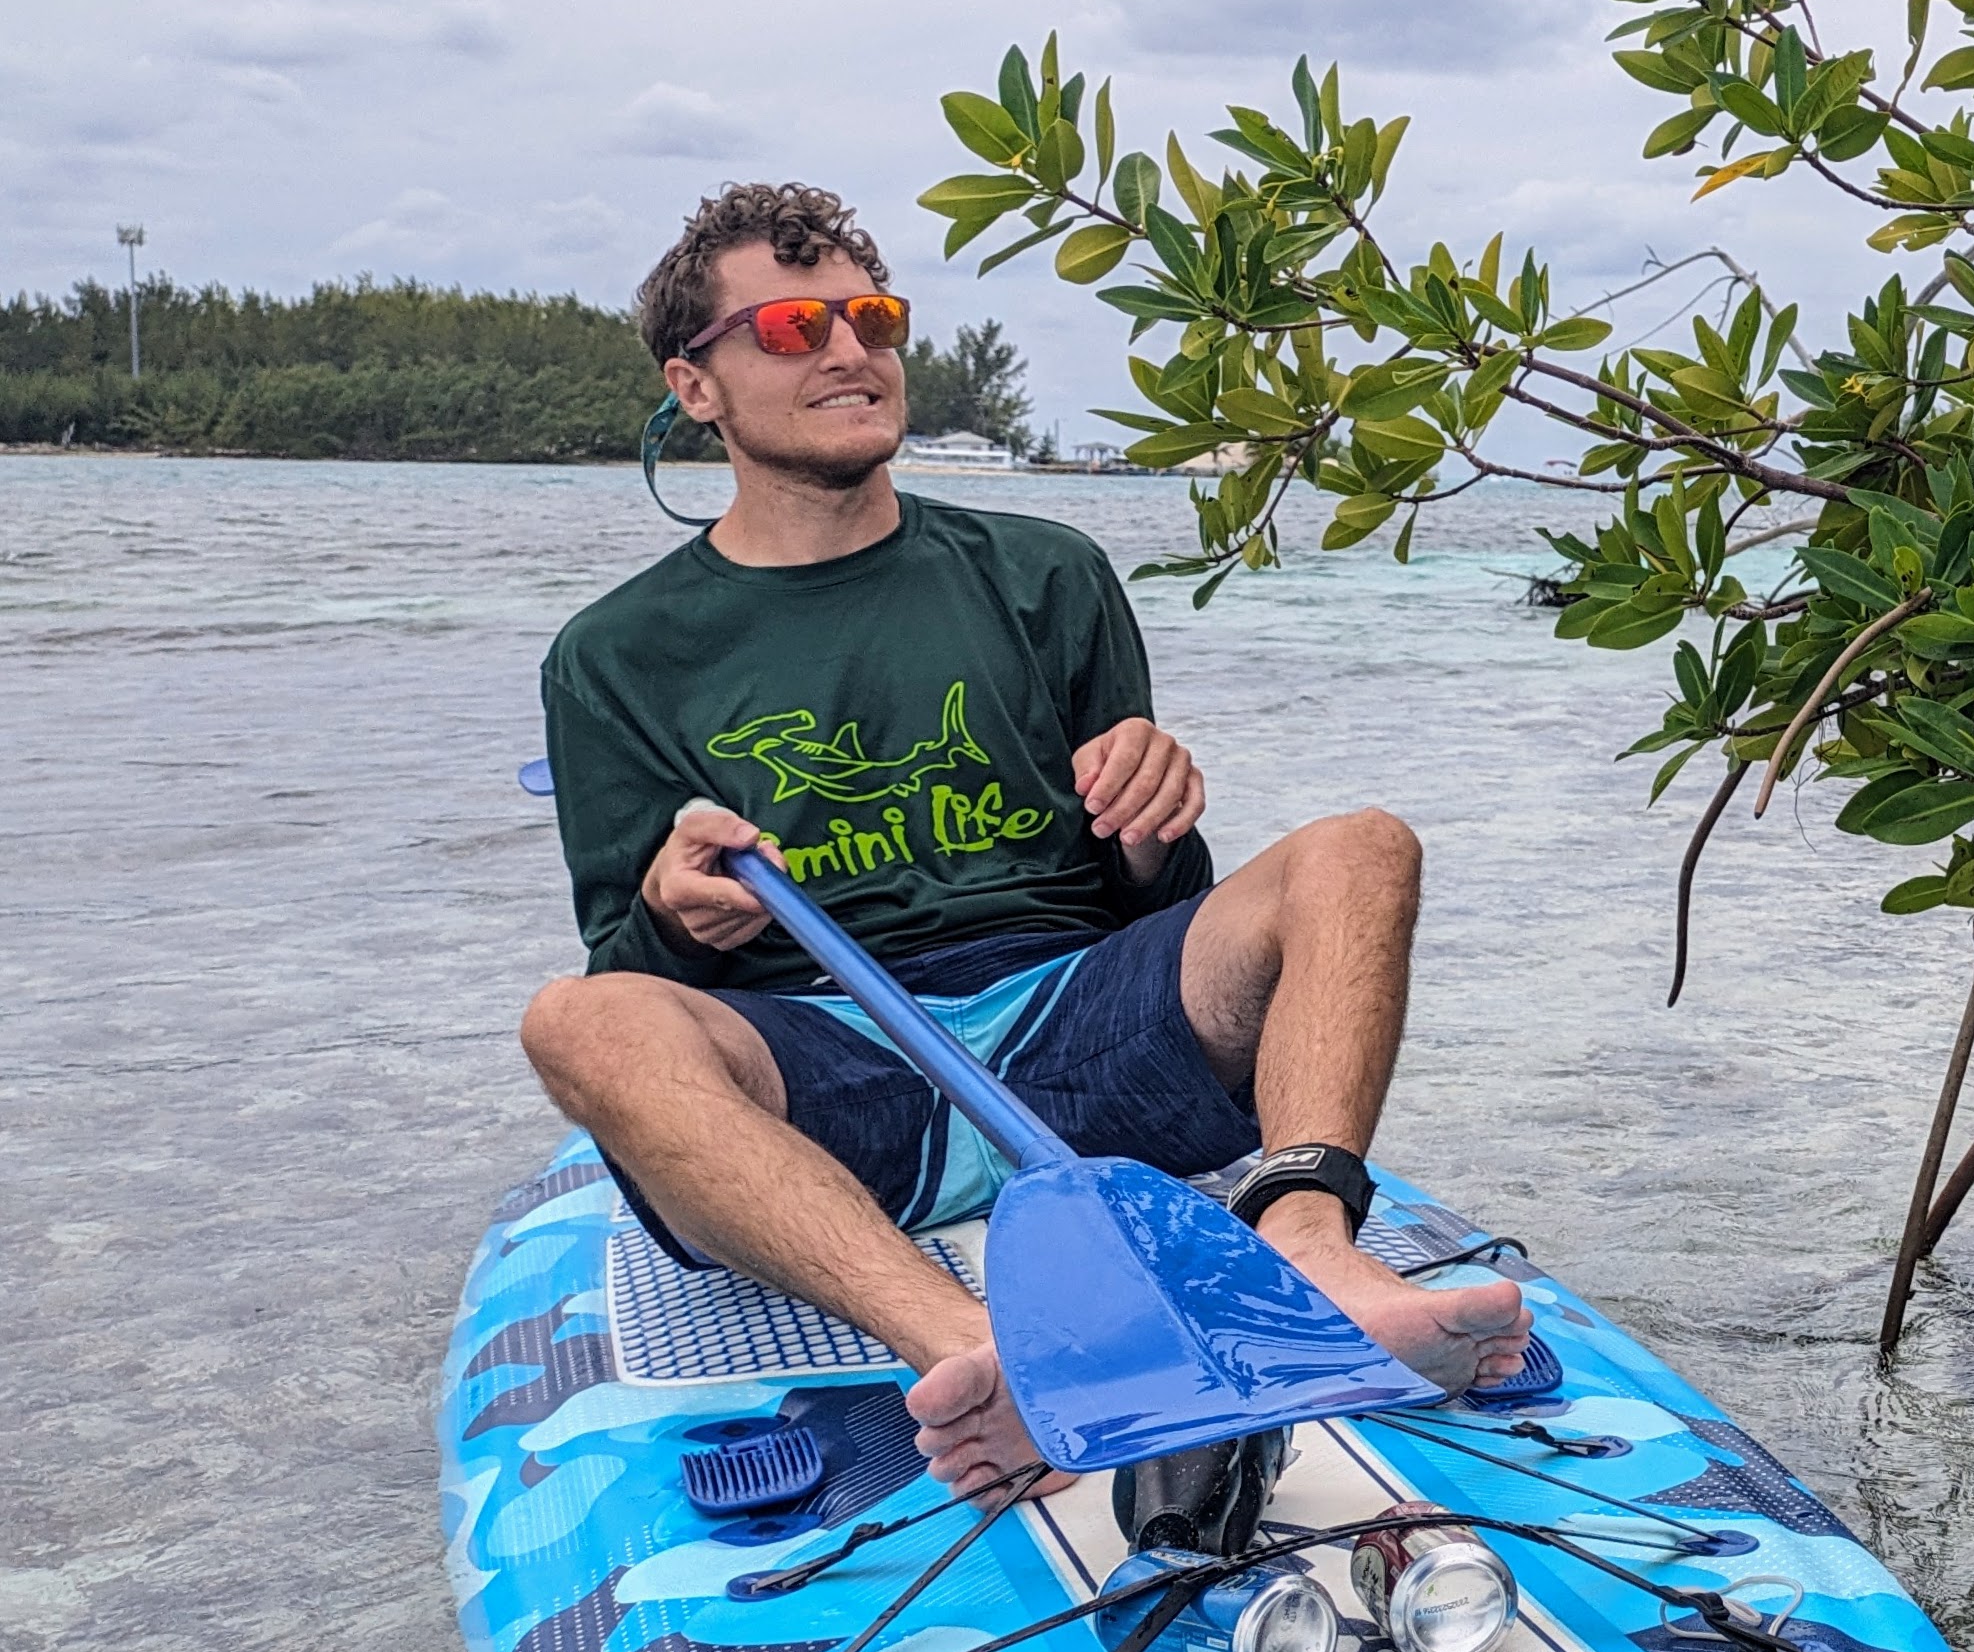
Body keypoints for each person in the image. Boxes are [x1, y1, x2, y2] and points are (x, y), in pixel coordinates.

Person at [519, 180, 1520, 1499]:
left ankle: (1311, 1250)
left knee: (1362, 847)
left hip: (1081, 1034)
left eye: (873, 318)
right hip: (839, 1071)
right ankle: (976, 1353)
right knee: (575, 1019)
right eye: (792, 328)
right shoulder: (614, 656)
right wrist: (673, 910)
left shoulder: (1048, 575)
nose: (848, 350)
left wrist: (1155, 829)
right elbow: (633, 975)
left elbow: (1155, 907)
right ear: (694, 385)